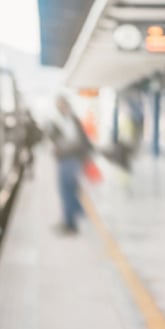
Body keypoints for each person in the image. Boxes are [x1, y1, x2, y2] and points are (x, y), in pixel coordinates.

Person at [48, 96, 93, 234]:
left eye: (61, 105)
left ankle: (70, 225)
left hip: (70, 160)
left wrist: (60, 150)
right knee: (69, 191)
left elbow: (76, 142)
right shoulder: (68, 120)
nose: (60, 108)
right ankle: (73, 218)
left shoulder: (70, 120)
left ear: (66, 105)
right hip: (68, 160)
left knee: (66, 192)